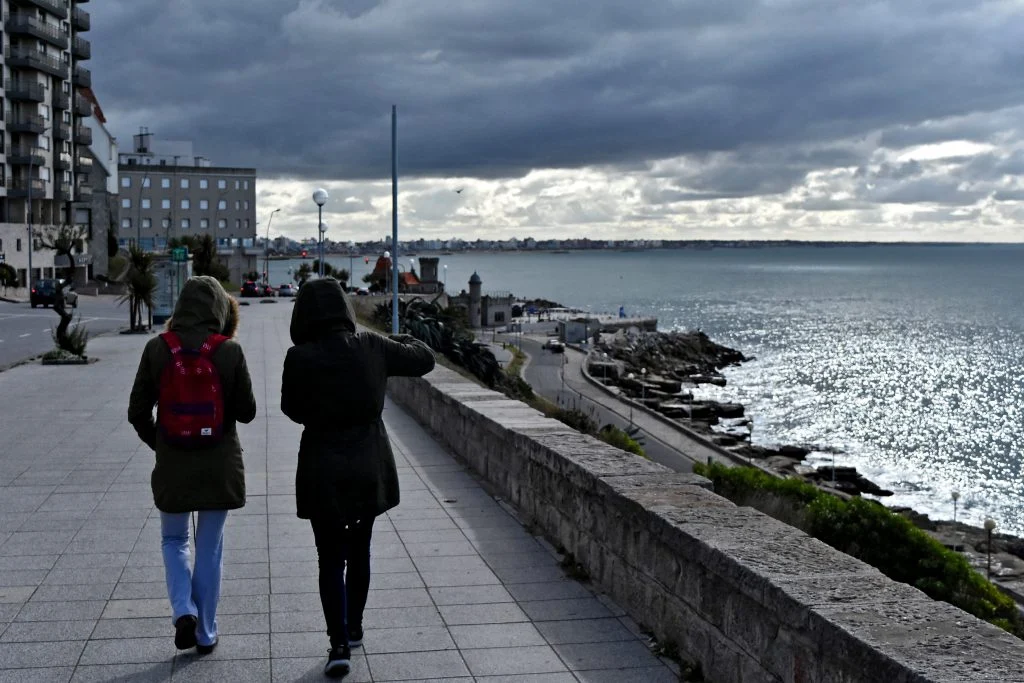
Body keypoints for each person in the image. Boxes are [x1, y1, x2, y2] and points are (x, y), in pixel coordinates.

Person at [281, 278, 435, 678]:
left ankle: (337, 645)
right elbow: (424, 358)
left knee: (329, 557)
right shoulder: (372, 346)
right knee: (360, 548)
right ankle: (354, 627)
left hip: (322, 466)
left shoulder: (299, 358)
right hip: (368, 465)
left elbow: (291, 409)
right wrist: (393, 337)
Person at [128, 276, 256, 654]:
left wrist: (162, 445)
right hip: (219, 465)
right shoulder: (228, 351)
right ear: (220, 309)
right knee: (210, 547)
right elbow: (247, 413)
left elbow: (137, 412)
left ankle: (184, 610)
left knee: (173, 539)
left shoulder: (157, 348)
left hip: (173, 465)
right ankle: (206, 632)